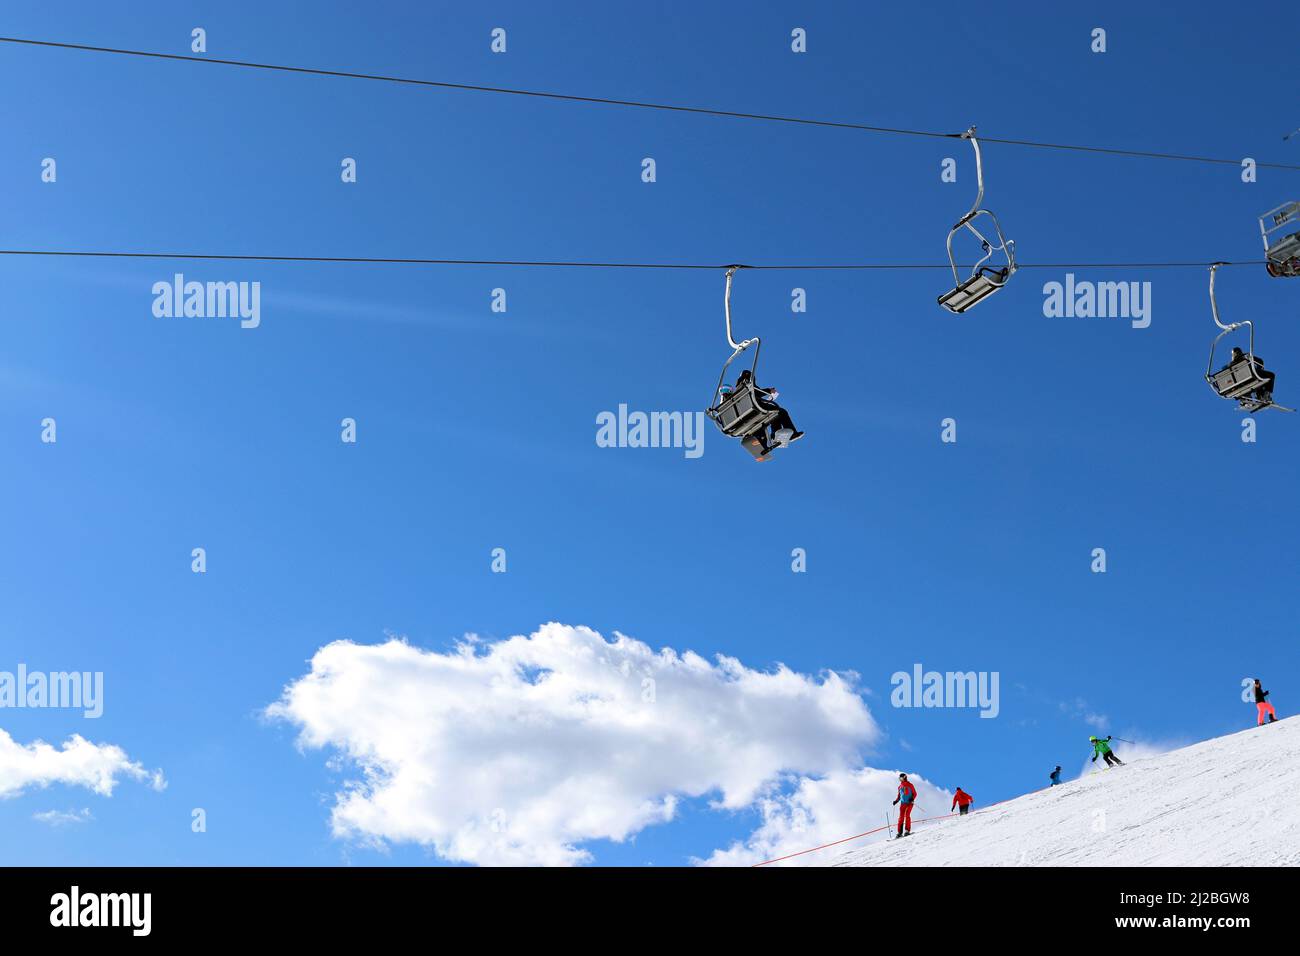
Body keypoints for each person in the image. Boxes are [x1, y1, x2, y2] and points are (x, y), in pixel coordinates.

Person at [736, 370, 804, 446]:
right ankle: (787, 433)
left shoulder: (737, 391)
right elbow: (755, 392)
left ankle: (766, 440)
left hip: (746, 414)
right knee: (781, 411)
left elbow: (753, 395)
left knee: (774, 412)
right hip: (755, 409)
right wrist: (769, 390)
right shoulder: (747, 384)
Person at [892, 772, 917, 838]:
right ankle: (899, 832)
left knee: (907, 815)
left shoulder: (910, 785)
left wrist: (912, 798)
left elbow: (915, 793)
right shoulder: (900, 787)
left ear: (904, 777)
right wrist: (896, 801)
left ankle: (907, 830)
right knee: (901, 817)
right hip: (902, 804)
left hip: (909, 803)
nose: (900, 779)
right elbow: (899, 796)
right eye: (899, 778)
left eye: (901, 778)